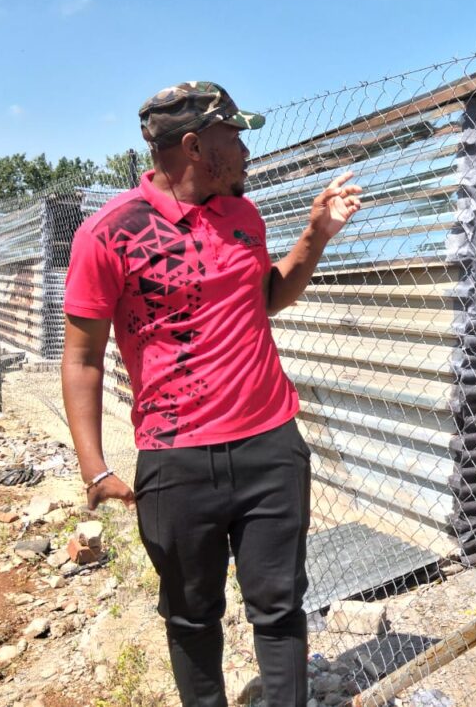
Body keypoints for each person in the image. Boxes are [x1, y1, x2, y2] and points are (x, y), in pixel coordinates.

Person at [61, 81, 361, 707]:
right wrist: (95, 467)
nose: (247, 148)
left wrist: (316, 235)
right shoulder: (108, 234)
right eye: (235, 135)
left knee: (280, 609)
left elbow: (267, 299)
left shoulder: (243, 214)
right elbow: (83, 357)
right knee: (192, 617)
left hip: (270, 446)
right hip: (176, 461)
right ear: (195, 145)